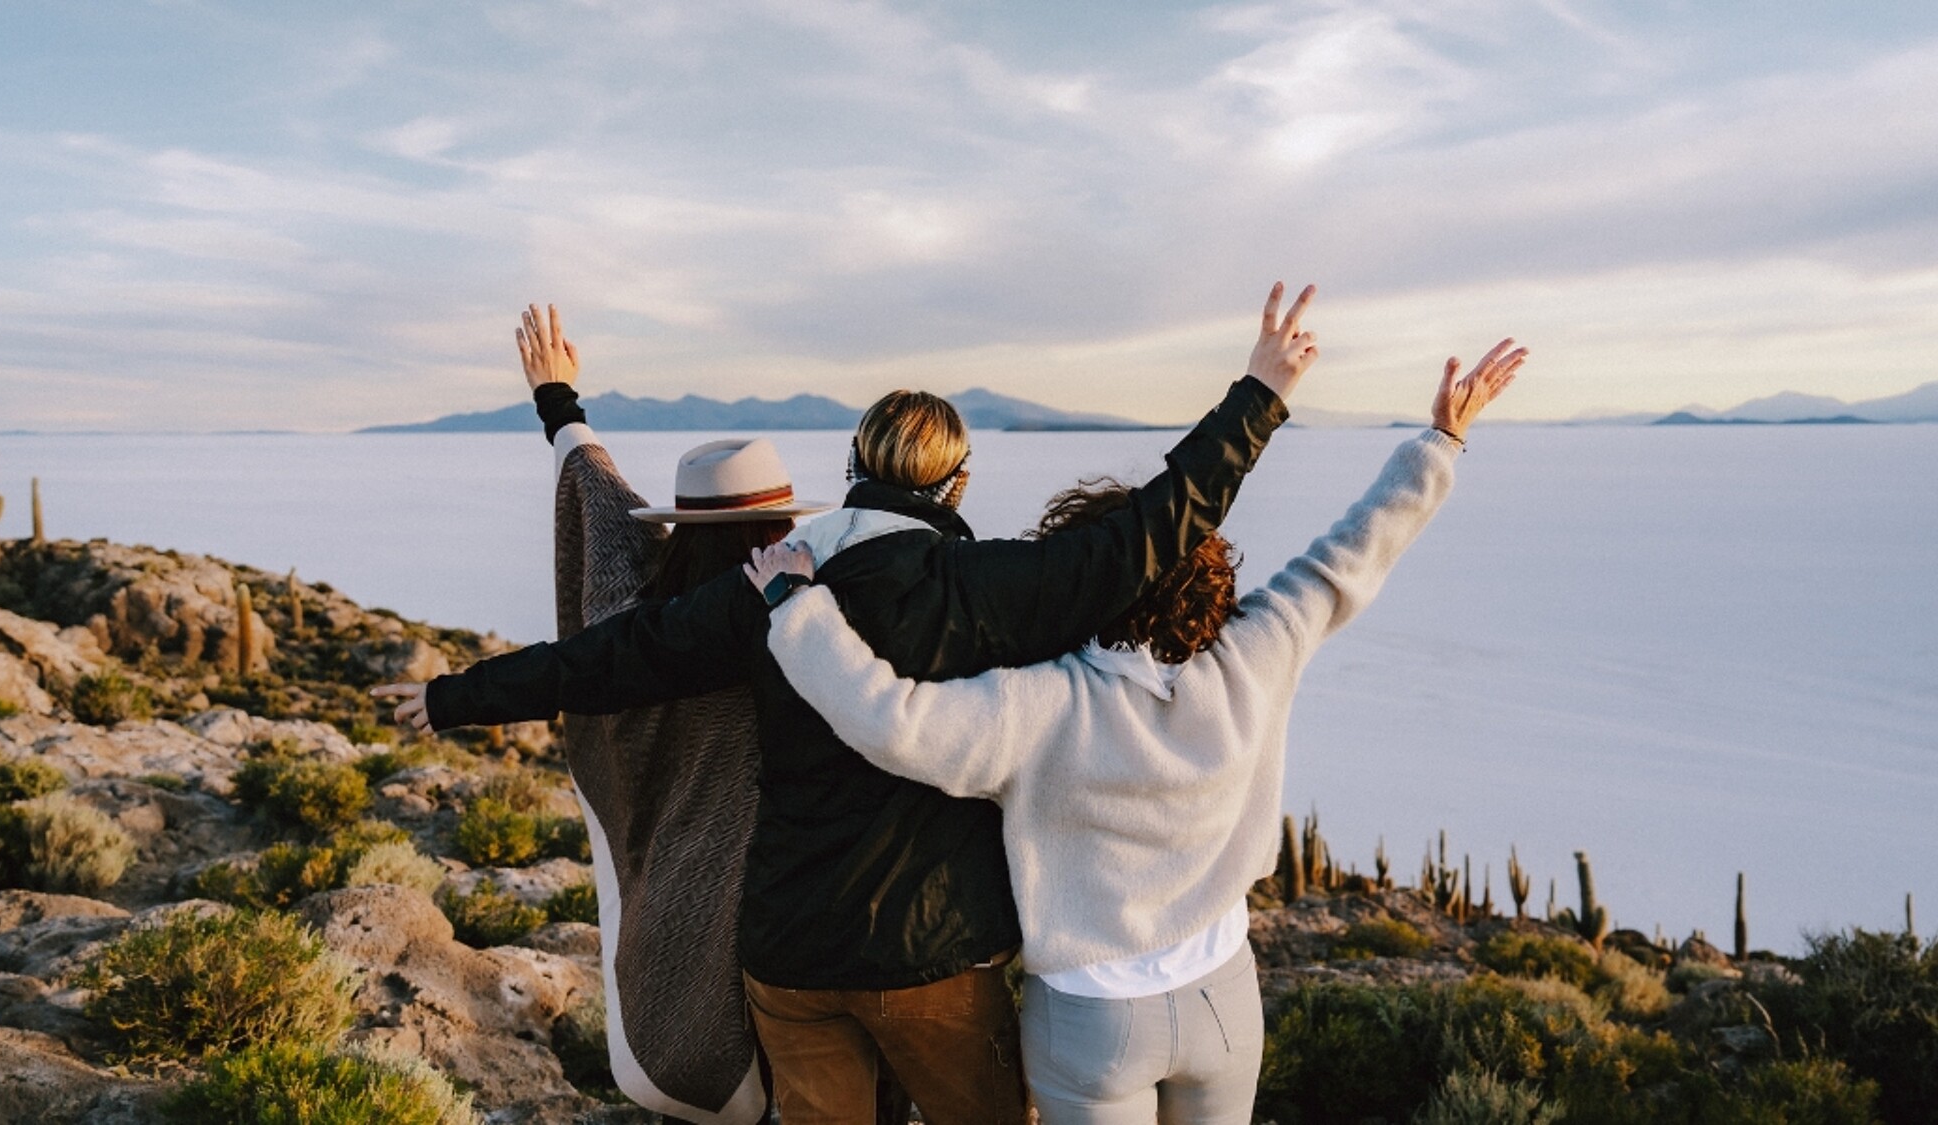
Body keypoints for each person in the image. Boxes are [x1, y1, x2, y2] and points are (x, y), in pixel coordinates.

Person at [379, 283, 1319, 1125]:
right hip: (935, 960)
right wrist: (1259, 395)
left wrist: (453, 696)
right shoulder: (981, 586)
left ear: (853, 465)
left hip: (790, 959)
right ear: (956, 483)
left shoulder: (767, 582)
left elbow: (607, 656)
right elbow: (1156, 527)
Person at [741, 339, 1527, 1123]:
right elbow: (1351, 555)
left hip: (1092, 1016)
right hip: (1221, 990)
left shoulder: (1037, 706)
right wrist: (1441, 443)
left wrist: (798, 608)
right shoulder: (1259, 651)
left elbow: (889, 719)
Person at [482, 305, 835, 1124]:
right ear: (781, 522)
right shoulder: (812, 616)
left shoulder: (634, 610)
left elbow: (599, 499)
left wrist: (560, 399)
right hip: (797, 907)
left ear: (683, 521)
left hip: (671, 887)